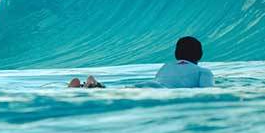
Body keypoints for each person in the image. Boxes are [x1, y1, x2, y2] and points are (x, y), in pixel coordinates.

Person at [67, 36, 214, 89]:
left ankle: (89, 85)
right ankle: (91, 86)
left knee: (125, 90)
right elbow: (207, 92)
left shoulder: (166, 67)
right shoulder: (203, 72)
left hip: (151, 85)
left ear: (177, 54)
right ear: (199, 55)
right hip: (159, 90)